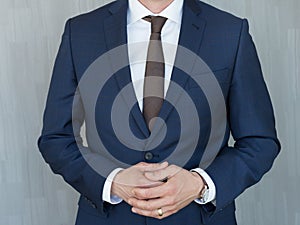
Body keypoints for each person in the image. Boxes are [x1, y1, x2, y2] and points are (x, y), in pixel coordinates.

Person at [38, 0, 280, 224]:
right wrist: (111, 182)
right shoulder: (80, 32)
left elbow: (259, 142)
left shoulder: (229, 31)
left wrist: (200, 184)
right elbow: (56, 138)